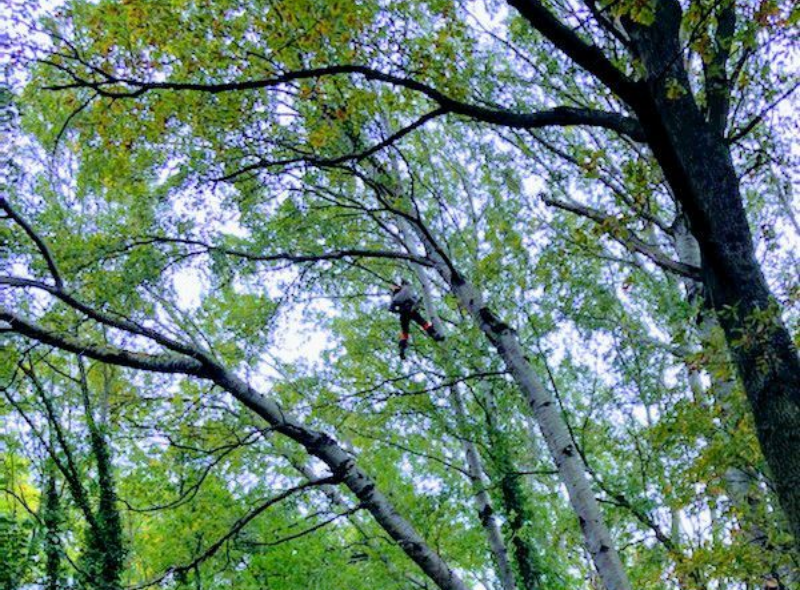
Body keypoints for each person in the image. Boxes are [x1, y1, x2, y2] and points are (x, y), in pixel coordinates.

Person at [388, 280, 444, 360]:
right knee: (409, 330)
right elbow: (391, 308)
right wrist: (400, 309)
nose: (394, 287)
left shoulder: (403, 292)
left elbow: (411, 298)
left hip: (411, 310)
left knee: (421, 324)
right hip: (406, 312)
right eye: (393, 287)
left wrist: (414, 304)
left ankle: (434, 335)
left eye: (394, 286)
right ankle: (402, 349)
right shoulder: (397, 296)